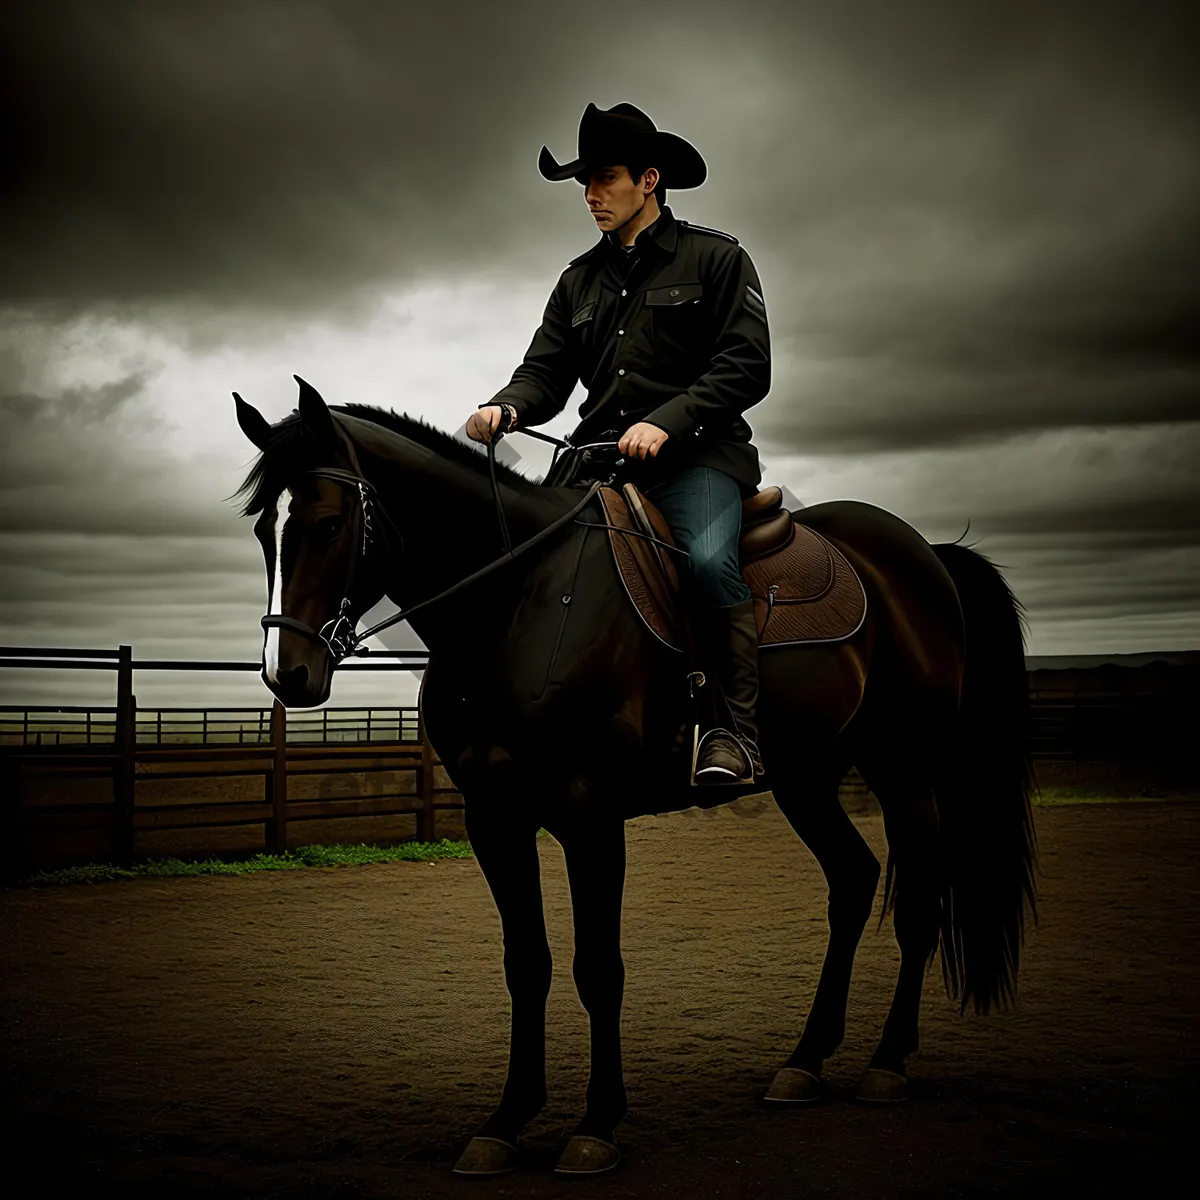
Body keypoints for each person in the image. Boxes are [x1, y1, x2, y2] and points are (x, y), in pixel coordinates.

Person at [465, 101, 770, 785]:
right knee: (520, 558)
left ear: (650, 179)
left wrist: (668, 419)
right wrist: (506, 407)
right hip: (595, 463)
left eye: (604, 179)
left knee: (706, 560)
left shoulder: (719, 258)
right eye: (584, 184)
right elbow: (545, 372)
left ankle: (731, 732)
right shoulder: (578, 280)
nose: (590, 196)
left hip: (699, 460)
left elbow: (747, 364)